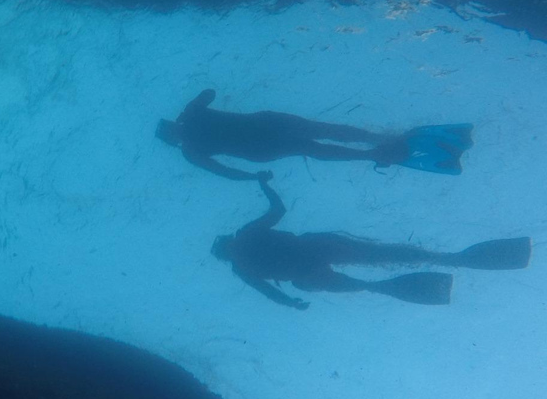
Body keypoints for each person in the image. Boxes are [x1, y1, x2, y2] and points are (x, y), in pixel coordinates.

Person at [211, 173, 531, 309]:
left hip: (307, 274)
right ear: (228, 239)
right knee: (380, 253)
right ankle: (452, 258)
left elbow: (268, 292)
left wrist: (292, 302)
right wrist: (263, 184)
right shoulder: (248, 234)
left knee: (368, 282)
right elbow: (278, 209)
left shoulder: (241, 268)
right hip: (316, 248)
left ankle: (425, 281)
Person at [156, 89, 474, 180]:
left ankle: (376, 148)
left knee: (315, 141)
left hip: (262, 138)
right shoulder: (192, 126)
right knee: (316, 137)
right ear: (173, 129)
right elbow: (208, 92)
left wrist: (252, 178)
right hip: (264, 129)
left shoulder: (190, 151)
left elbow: (223, 171)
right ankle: (375, 146)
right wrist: (189, 110)